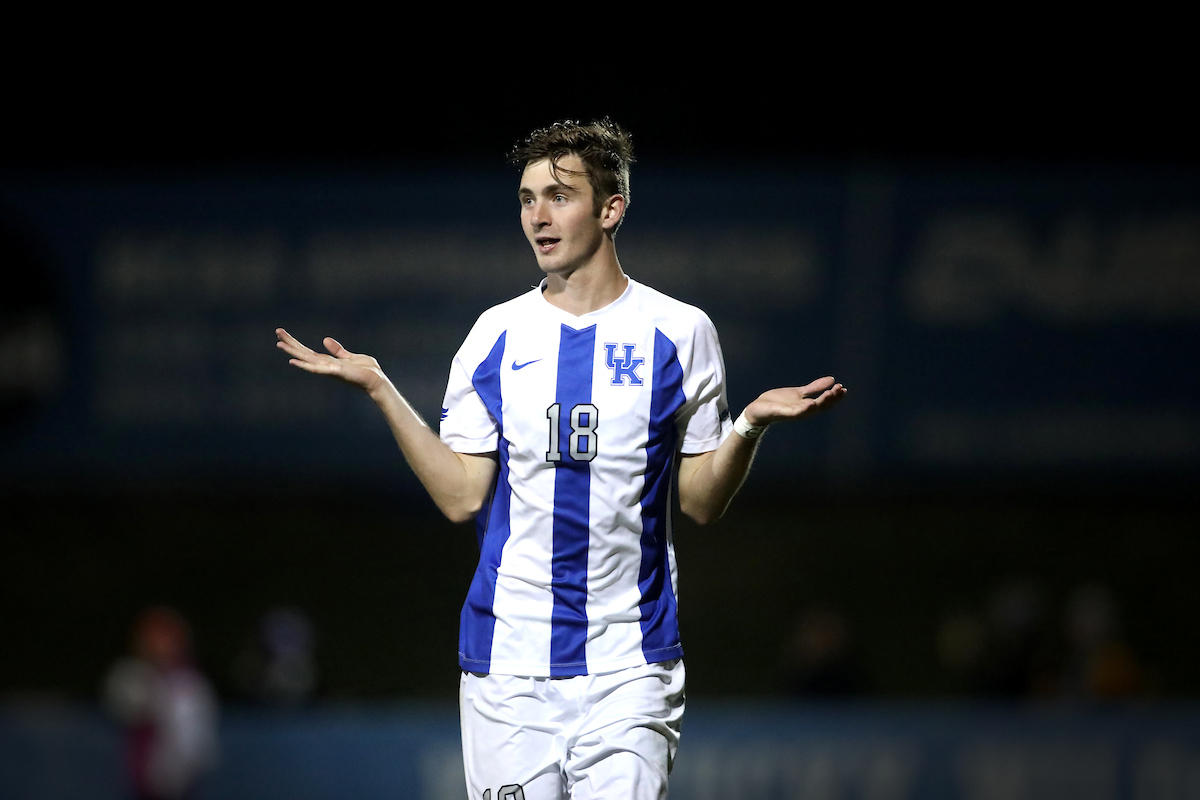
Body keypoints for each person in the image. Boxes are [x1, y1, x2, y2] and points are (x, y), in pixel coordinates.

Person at [275, 118, 846, 800]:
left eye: (558, 195)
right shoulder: (495, 335)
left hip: (631, 662)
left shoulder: (680, 333)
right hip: (507, 666)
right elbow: (461, 495)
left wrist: (748, 425)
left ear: (611, 209)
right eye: (526, 198)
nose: (538, 217)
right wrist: (381, 389)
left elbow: (698, 501)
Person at [102, 607, 219, 800]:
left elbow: (197, 738)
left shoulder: (190, 682)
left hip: (183, 782)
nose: (160, 644)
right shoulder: (132, 676)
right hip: (146, 784)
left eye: (167, 637)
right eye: (153, 637)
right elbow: (127, 706)